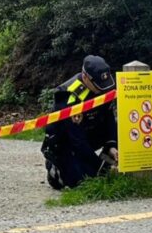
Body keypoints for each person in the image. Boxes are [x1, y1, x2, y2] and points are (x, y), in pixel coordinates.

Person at [41, 55, 118, 190]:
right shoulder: (68, 95)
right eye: (99, 86)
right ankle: (55, 170)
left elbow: (109, 117)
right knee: (82, 181)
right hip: (66, 142)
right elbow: (76, 139)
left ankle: (108, 163)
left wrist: (112, 144)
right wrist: (100, 166)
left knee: (124, 135)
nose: (103, 90)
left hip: (90, 131)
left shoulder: (104, 86)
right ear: (85, 77)